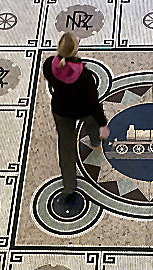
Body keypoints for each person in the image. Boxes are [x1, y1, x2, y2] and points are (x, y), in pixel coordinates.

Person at [43, 32, 110, 203]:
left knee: (66, 149)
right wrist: (103, 123)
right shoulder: (84, 76)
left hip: (61, 111)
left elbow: (51, 79)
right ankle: (96, 140)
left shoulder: (49, 65)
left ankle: (69, 186)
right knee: (92, 122)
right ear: (75, 50)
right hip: (82, 110)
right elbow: (93, 104)